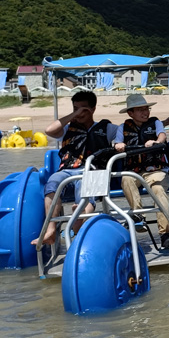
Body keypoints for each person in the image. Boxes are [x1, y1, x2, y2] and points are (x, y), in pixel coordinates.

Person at [33, 91, 116, 247]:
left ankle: (80, 218)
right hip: (67, 171)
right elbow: (49, 130)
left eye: (83, 108)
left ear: (93, 109)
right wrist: (74, 114)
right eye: (75, 108)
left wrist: (163, 124)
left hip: (92, 171)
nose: (79, 112)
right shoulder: (66, 129)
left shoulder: (108, 128)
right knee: (52, 183)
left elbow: (129, 132)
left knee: (86, 186)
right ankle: (51, 230)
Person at [114, 94, 169, 249]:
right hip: (134, 171)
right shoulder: (123, 127)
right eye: (140, 110)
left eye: (146, 109)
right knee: (126, 179)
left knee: (158, 189)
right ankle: (138, 215)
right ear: (130, 113)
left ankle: (165, 233)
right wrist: (118, 146)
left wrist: (156, 142)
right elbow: (117, 142)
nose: (145, 112)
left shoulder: (155, 123)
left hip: (156, 170)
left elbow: (162, 135)